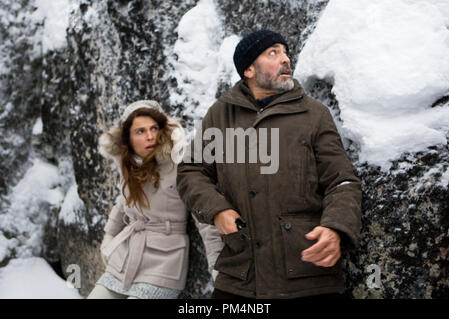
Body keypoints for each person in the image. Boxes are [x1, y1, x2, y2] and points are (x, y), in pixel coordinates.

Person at [176, 30, 362, 299]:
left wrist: (335, 227)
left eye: (286, 52)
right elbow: (191, 171)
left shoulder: (314, 115)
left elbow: (342, 181)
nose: (285, 59)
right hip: (240, 276)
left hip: (305, 277)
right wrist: (217, 210)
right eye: (273, 53)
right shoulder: (221, 114)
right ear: (249, 69)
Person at [87, 100, 223, 299]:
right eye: (140, 131)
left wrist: (216, 263)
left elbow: (203, 218)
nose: (150, 136)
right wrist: (109, 235)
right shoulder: (129, 165)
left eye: (154, 128)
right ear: (128, 138)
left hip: (164, 261)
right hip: (126, 256)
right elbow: (123, 201)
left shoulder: (180, 165)